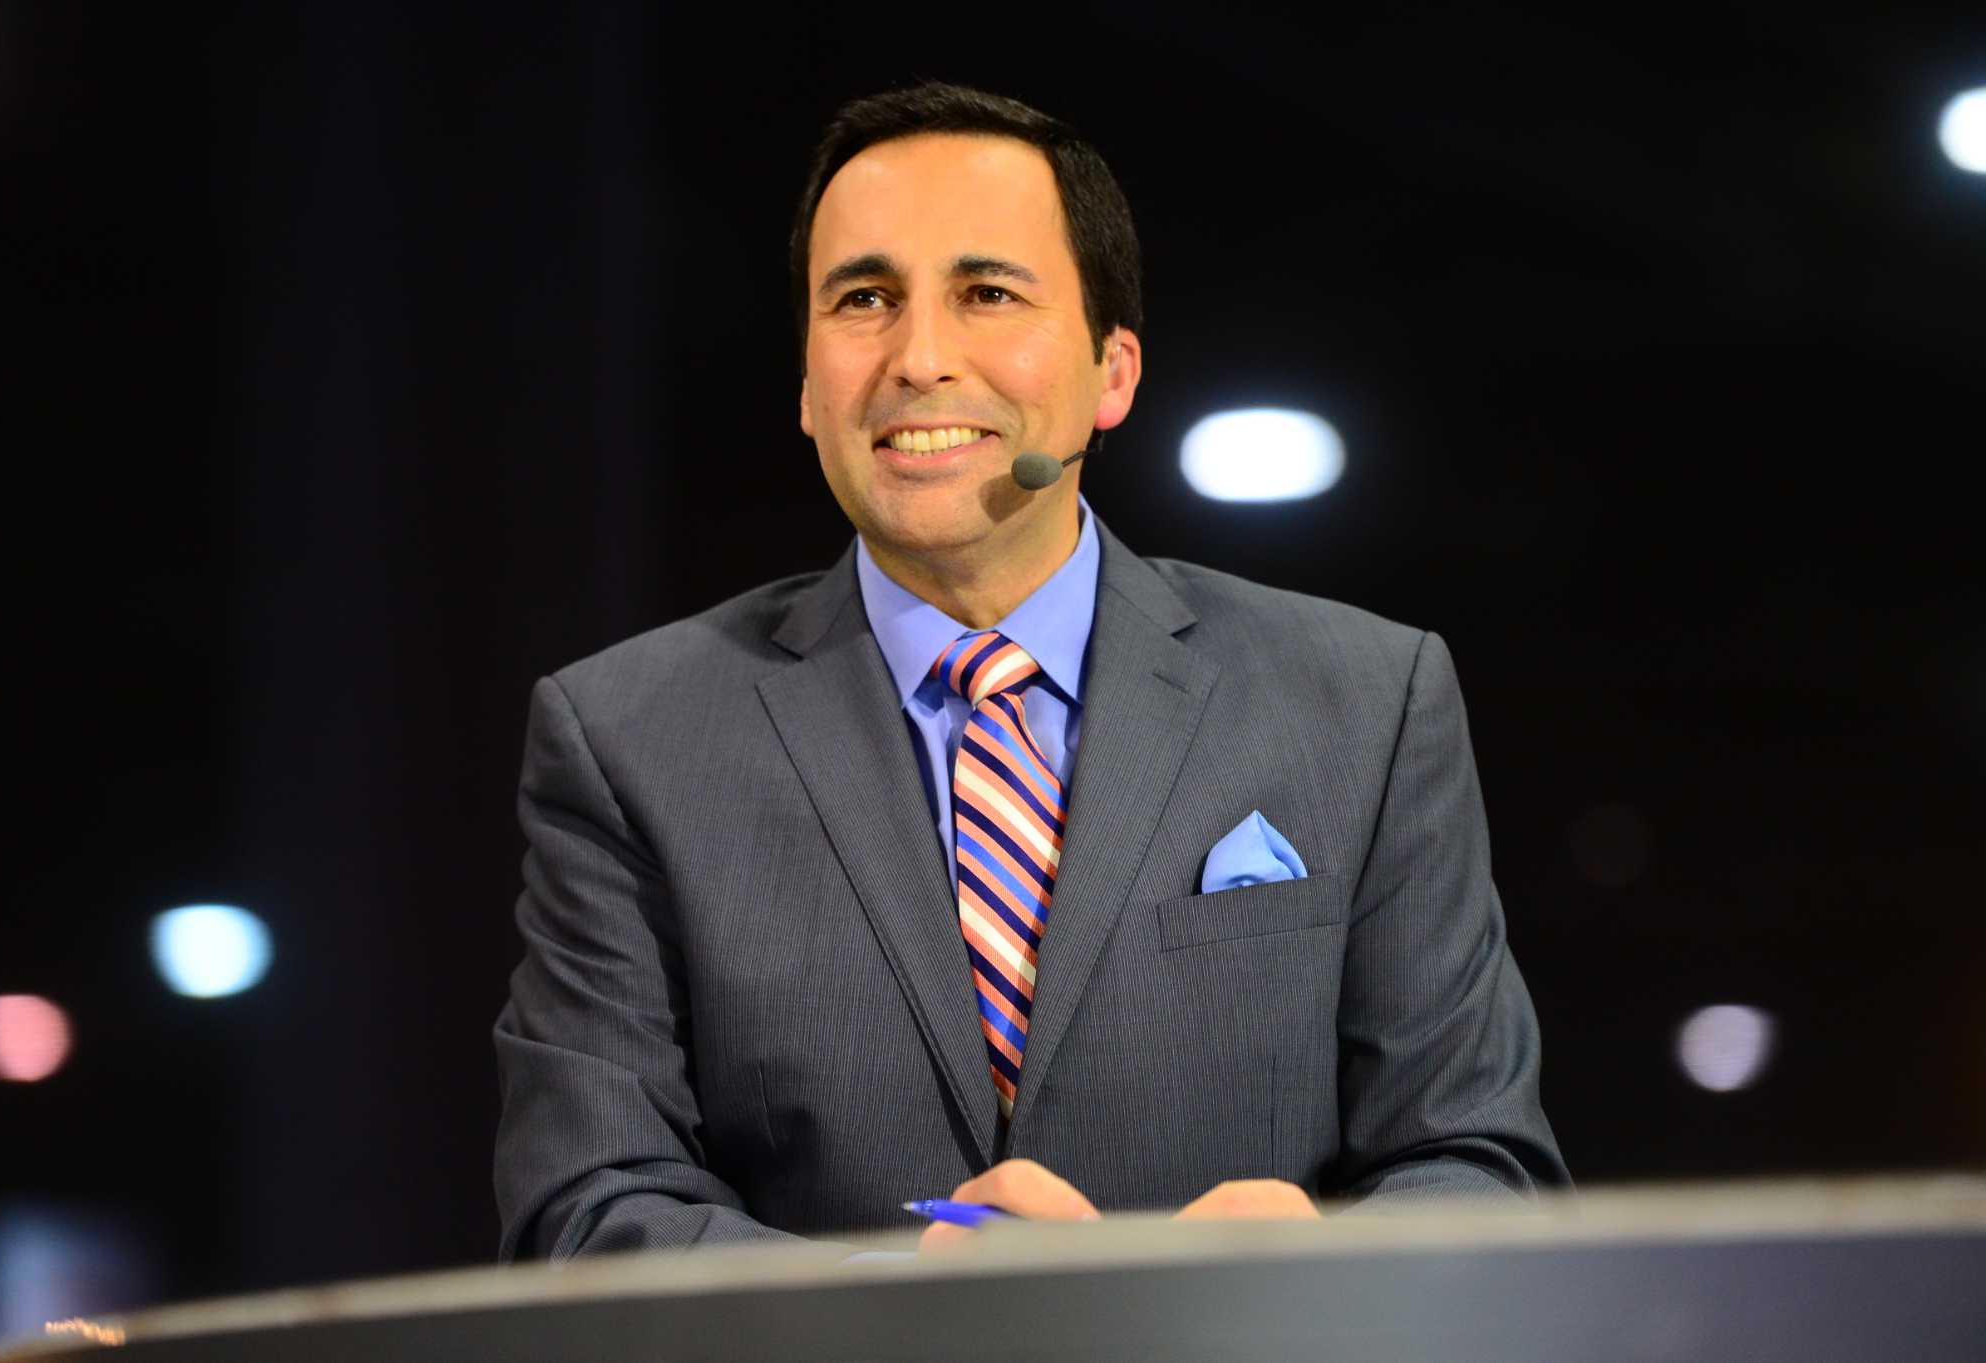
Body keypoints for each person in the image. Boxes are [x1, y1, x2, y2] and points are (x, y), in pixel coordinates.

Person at [493, 81, 1568, 1259]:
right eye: (863, 299)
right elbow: (585, 1209)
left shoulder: (1365, 699)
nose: (918, 358)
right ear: (805, 384)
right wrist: (908, 1313)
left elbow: (1480, 1165)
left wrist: (1316, 1261)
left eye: (986, 293)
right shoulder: (628, 736)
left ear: (1112, 373)